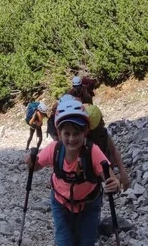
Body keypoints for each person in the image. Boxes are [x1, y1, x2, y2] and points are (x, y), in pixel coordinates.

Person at [25, 95, 121, 246]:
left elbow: (109, 176)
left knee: (87, 241)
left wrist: (114, 183)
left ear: (85, 132)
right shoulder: (54, 149)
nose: (71, 138)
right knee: (64, 242)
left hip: (89, 204)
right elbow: (36, 166)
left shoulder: (92, 151)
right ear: (59, 133)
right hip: (60, 203)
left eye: (76, 133)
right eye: (67, 133)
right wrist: (31, 162)